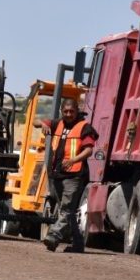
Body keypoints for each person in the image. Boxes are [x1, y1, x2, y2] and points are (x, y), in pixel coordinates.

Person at [38, 98, 98, 253]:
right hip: (57, 174)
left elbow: (89, 150)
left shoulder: (84, 127)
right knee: (68, 211)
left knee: (66, 208)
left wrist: (73, 160)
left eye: (72, 111)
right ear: (61, 111)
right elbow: (37, 123)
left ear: (77, 111)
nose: (69, 114)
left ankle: (54, 236)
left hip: (74, 175)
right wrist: (44, 123)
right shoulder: (58, 123)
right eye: (66, 111)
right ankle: (78, 244)